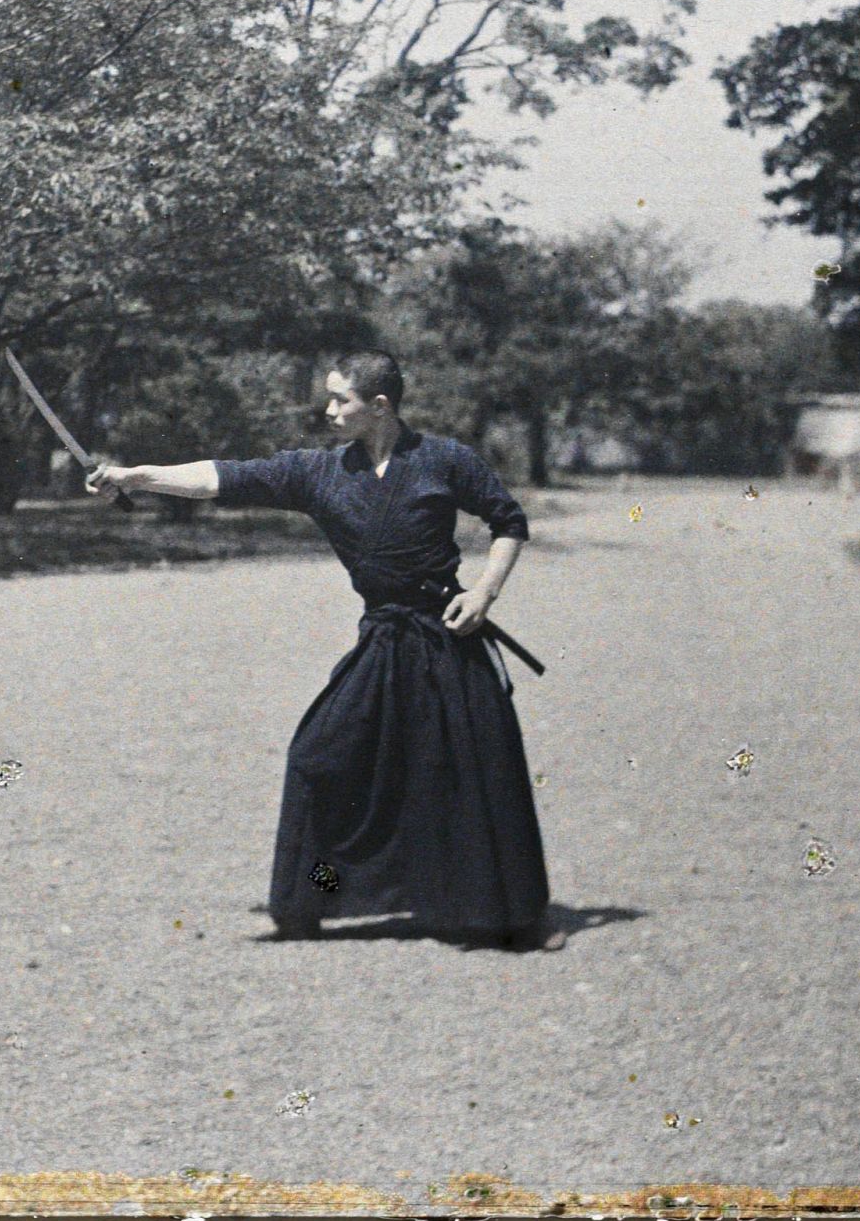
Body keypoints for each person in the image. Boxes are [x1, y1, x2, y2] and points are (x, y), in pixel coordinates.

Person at [88, 352, 561, 950]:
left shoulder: (445, 460)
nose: (330, 411)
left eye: (342, 400)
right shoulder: (318, 471)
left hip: (448, 637)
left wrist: (484, 594)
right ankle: (309, 896)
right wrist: (134, 477)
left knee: (474, 772)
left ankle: (516, 916)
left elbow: (508, 521)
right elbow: (224, 476)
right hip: (383, 639)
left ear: (380, 406)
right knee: (317, 757)